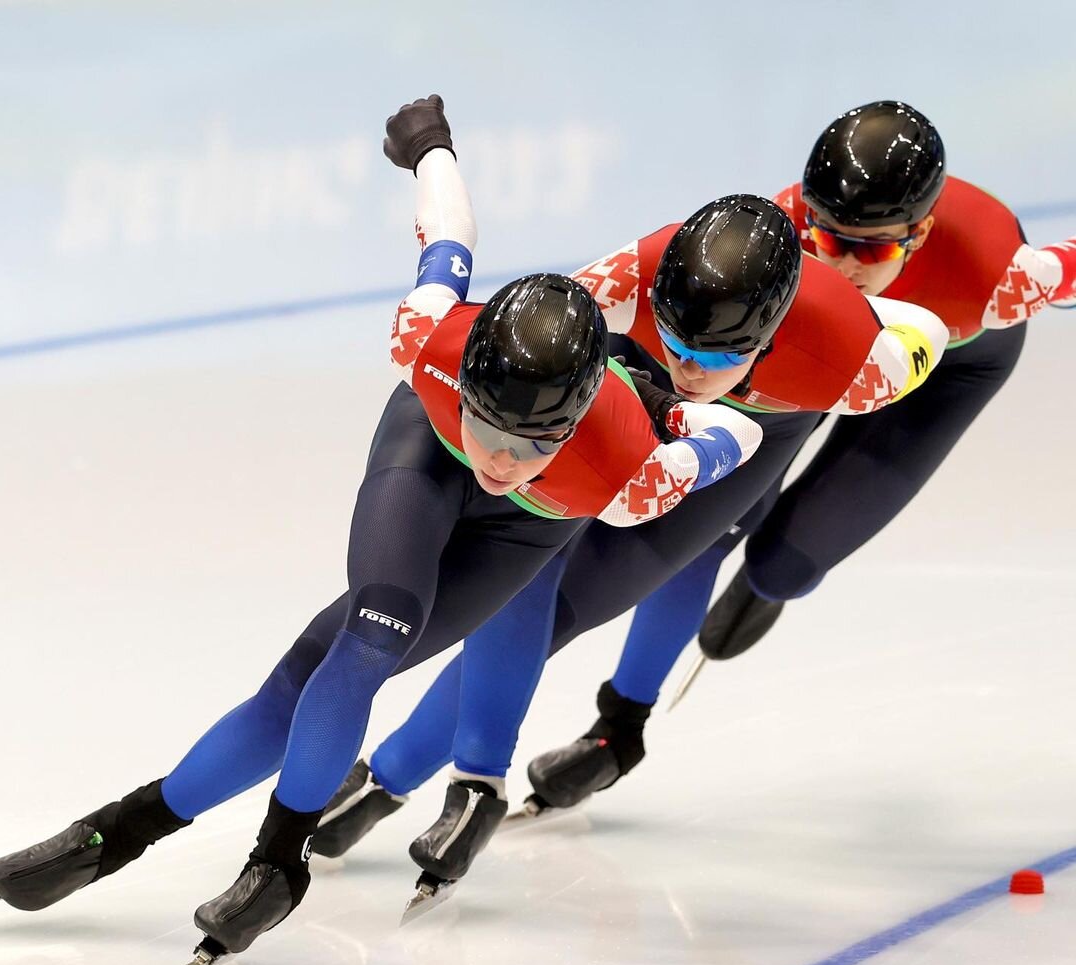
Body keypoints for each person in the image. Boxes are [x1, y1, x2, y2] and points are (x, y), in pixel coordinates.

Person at [0, 98, 763, 965]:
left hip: (528, 532)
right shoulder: (429, 340)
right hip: (424, 460)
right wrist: (430, 146)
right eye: (493, 427)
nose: (504, 460)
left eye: (534, 442)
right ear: (462, 378)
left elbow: (737, 431)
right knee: (356, 646)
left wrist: (682, 463)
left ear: (581, 423)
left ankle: (245, 853)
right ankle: (163, 838)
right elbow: (449, 234)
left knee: (325, 672)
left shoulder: (622, 459)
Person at [312, 177, 950, 904]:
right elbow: (530, 338)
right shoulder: (632, 275)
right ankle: (433, 781)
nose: (691, 367)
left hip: (743, 449)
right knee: (524, 586)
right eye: (676, 337)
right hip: (630, 410)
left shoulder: (861, 365)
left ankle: (574, 739)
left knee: (587, 600)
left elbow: (928, 330)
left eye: (717, 357)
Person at [514, 100, 1076, 818]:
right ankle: (619, 729)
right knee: (703, 533)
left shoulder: (1002, 277)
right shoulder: (775, 240)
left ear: (921, 233)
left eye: (868, 250)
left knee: (786, 561)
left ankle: (767, 580)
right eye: (825, 236)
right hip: (822, 358)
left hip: (943, 372)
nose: (839, 261)